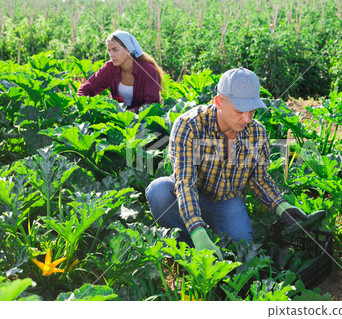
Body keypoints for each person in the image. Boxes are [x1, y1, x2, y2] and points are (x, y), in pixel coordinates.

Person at [145, 67, 306, 260]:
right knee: (159, 191)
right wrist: (198, 231)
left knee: (242, 245)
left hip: (227, 200)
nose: (247, 119)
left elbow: (259, 180)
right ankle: (188, 249)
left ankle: (216, 250)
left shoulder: (257, 132)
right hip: (189, 194)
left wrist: (282, 207)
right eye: (239, 111)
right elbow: (185, 183)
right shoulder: (189, 125)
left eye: (252, 111)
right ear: (219, 101)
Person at [77, 30, 164, 114]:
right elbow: (86, 89)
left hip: (143, 122)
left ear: (128, 50)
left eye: (115, 50)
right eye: (109, 50)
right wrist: (84, 107)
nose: (111, 55)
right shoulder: (109, 68)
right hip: (117, 120)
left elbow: (152, 105)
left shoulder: (148, 70)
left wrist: (127, 114)